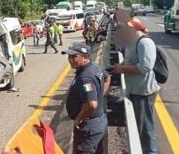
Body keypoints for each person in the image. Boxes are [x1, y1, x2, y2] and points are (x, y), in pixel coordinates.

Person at [111, 20, 159, 154]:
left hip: (143, 92)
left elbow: (146, 67)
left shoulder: (144, 42)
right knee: (139, 125)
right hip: (134, 89)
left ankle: (150, 151)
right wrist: (121, 65)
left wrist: (123, 69)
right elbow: (131, 61)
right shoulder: (131, 43)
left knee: (145, 128)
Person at [62, 42, 107, 154]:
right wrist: (99, 95)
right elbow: (107, 78)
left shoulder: (85, 77)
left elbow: (92, 104)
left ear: (85, 57)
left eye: (74, 56)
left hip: (89, 127)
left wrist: (79, 119)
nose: (70, 60)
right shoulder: (95, 67)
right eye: (69, 56)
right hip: (98, 121)